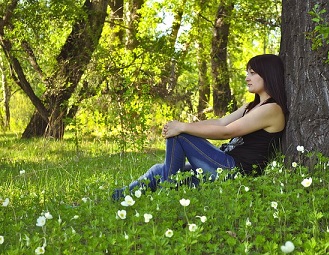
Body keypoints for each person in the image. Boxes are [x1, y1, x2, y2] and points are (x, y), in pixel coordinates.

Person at [112, 54, 288, 200]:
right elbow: (220, 122)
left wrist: (181, 128)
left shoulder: (272, 109)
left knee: (181, 135)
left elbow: (226, 132)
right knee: (160, 169)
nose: (247, 77)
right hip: (223, 162)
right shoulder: (252, 106)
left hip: (234, 173)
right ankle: (119, 197)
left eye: (252, 73)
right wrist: (181, 125)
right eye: (247, 72)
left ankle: (168, 192)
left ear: (268, 74)